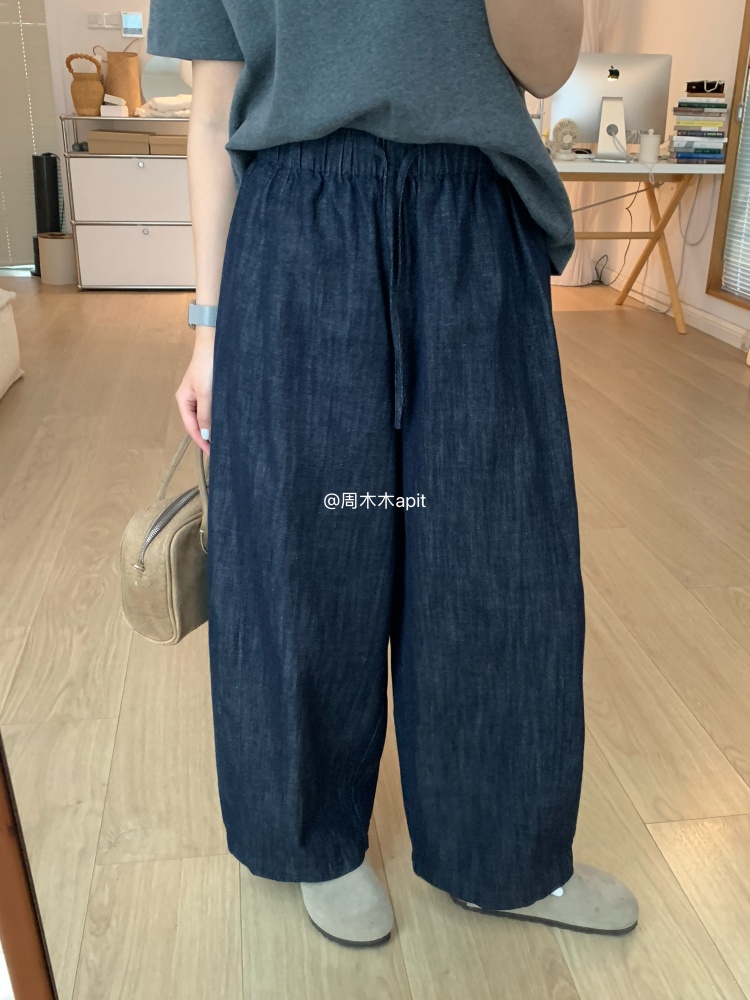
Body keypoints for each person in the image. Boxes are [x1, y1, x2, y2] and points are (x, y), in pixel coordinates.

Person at [146, 0, 639, 948]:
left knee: (497, 555)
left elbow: (546, 66)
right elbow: (211, 112)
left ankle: (504, 853)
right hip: (296, 220)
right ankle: (313, 842)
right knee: (304, 560)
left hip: (475, 214)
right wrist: (208, 327)